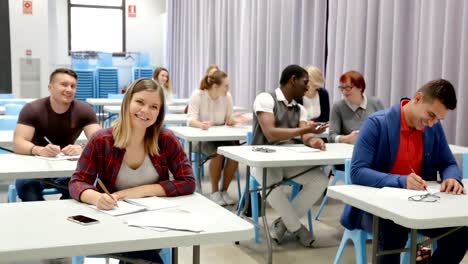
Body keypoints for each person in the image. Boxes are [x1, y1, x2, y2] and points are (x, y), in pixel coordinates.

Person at [69, 78, 196, 263]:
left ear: (159, 113)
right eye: (140, 102)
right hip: (115, 217)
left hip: (156, 220)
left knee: (142, 254)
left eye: (154, 107)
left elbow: (188, 182)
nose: (146, 111)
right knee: (145, 257)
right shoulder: (101, 140)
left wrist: (132, 193)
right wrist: (97, 198)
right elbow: (77, 182)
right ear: (128, 101)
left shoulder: (166, 139)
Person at [342, 79, 467, 263]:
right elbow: (358, 172)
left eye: (438, 119)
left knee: (460, 234)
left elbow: (448, 163)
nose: (432, 124)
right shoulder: (376, 124)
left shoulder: (433, 128)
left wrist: (452, 178)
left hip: (417, 206)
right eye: (430, 115)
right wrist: (401, 181)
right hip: (375, 208)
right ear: (417, 98)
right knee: (393, 232)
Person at [251, 64, 329, 247]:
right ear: (293, 80)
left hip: (289, 160)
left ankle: (283, 224)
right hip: (263, 161)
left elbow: (304, 134)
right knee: (269, 185)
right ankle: (297, 228)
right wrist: (304, 129)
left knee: (320, 180)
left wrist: (313, 140)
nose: (308, 87)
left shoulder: (300, 109)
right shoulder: (265, 99)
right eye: (305, 82)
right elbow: (270, 133)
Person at [13, 68, 101, 201]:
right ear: (50, 87)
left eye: (73, 86)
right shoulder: (32, 109)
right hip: (34, 165)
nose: (69, 89)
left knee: (77, 191)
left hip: (66, 167)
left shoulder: (84, 110)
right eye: (64, 84)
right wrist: (39, 150)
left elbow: (99, 142)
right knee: (28, 190)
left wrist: (82, 148)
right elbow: (18, 143)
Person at [187, 70, 248, 206]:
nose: (228, 89)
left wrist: (235, 120)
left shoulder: (227, 97)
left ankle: (224, 190)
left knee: (235, 154)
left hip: (222, 137)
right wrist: (201, 125)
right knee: (218, 153)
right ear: (215, 87)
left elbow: (228, 120)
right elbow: (190, 119)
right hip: (202, 138)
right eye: (226, 86)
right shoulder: (198, 95)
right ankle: (214, 192)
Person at [328, 70, 384, 145]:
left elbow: (385, 129)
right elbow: (331, 137)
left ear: (360, 87)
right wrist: (347, 138)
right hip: (348, 151)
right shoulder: (338, 107)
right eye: (342, 88)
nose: (344, 92)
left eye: (348, 88)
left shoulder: (376, 103)